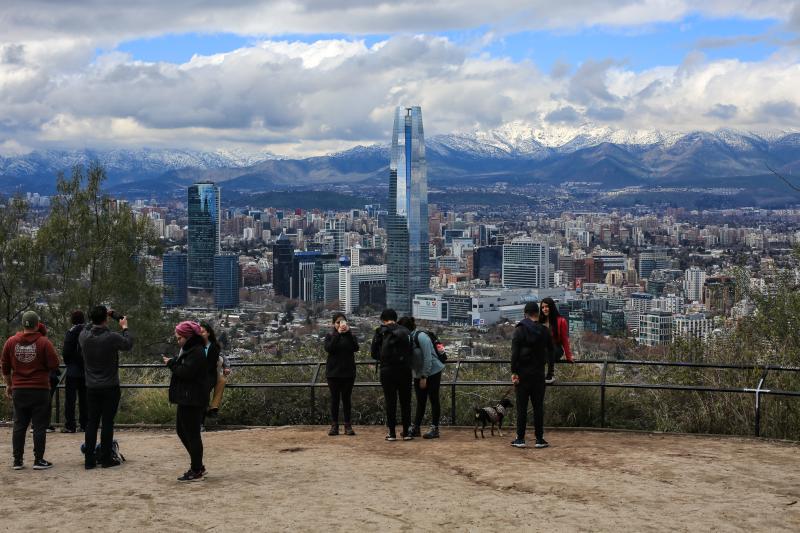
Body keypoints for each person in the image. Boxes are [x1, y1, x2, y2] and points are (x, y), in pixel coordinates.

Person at [1, 311, 60, 470]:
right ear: (37, 324)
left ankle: (17, 461)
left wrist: (9, 384)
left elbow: (5, 367)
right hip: (40, 389)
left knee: (19, 425)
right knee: (39, 425)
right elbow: (54, 364)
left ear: (23, 324)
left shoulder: (11, 342)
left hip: (19, 388)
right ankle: (38, 460)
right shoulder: (44, 342)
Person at [79, 305, 133, 469]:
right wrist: (124, 327)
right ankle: (105, 458)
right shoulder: (111, 337)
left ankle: (89, 460)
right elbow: (128, 344)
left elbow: (88, 326)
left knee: (91, 422)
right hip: (110, 385)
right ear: (106, 319)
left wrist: (99, 316)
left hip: (91, 386)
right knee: (108, 422)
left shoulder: (84, 336)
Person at [163, 321, 209, 482]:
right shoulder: (190, 349)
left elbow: (185, 372)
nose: (178, 341)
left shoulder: (195, 351)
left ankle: (196, 469)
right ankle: (197, 465)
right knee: (183, 431)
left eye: (179, 338)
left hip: (192, 398)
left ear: (187, 337)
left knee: (192, 434)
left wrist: (171, 364)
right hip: (187, 397)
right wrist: (174, 362)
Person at [510, 302, 554, 449]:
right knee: (538, 408)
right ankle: (539, 439)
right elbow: (551, 352)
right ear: (538, 313)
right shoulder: (544, 330)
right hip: (538, 375)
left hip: (522, 375)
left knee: (521, 408)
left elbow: (514, 354)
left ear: (525, 313)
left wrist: (514, 373)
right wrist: (549, 373)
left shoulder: (520, 330)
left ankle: (520, 439)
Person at [370, 309, 413, 441]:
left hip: (387, 371)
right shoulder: (406, 331)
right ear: (395, 318)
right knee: (406, 401)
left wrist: (384, 360)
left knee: (390, 402)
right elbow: (411, 350)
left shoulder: (380, 331)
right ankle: (406, 432)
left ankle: (392, 433)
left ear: (383, 319)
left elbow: (373, 353)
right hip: (404, 370)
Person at [399, 317, 445, 440]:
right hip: (419, 374)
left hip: (433, 371)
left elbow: (428, 358)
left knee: (434, 399)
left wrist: (424, 376)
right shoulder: (407, 339)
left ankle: (435, 428)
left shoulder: (421, 336)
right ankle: (416, 428)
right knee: (420, 400)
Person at [323, 313, 358, 436]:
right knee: (335, 400)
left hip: (348, 373)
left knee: (347, 400)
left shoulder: (351, 335)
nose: (341, 324)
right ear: (334, 324)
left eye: (343, 322)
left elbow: (355, 348)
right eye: (338, 322)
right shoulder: (329, 336)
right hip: (333, 373)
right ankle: (334, 426)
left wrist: (347, 333)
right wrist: (337, 333)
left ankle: (348, 425)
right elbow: (329, 348)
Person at [61, 310, 88, 433]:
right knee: (85, 399)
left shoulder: (71, 332)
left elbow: (66, 352)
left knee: (70, 400)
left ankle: (70, 425)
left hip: (72, 371)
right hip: (86, 370)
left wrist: (69, 363)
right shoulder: (88, 331)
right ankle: (85, 424)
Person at [539, 297, 574, 384]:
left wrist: (568, 356)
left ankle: (550, 374)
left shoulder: (561, 321)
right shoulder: (539, 322)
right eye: (542, 307)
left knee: (550, 348)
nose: (544, 309)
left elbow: (565, 340)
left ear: (552, 307)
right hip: (542, 350)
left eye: (547, 306)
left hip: (556, 349)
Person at [198, 321, 223, 419]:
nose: (200, 334)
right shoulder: (196, 345)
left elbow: (211, 365)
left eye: (203, 332)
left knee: (203, 395)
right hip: (197, 376)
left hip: (208, 376)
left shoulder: (213, 347)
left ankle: (201, 422)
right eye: (199, 332)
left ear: (208, 333)